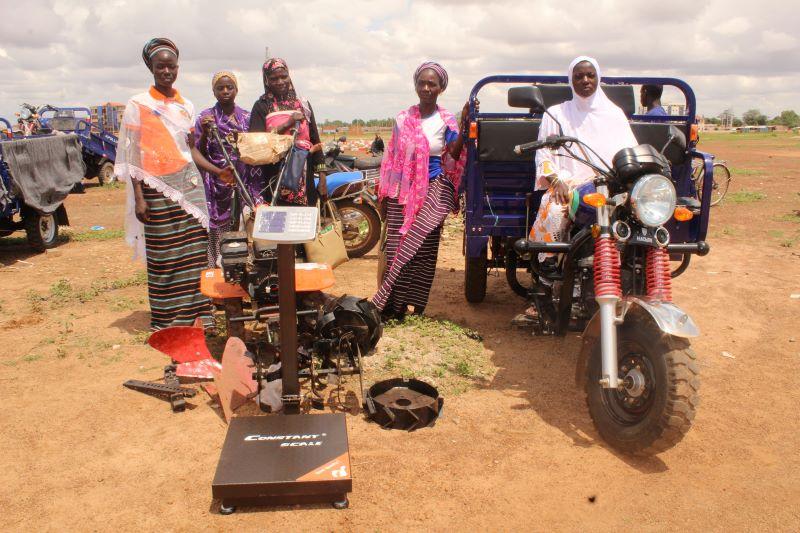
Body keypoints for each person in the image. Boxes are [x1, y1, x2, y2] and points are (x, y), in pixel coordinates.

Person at [513, 56, 638, 326]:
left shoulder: (614, 114)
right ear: (571, 80)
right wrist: (556, 180)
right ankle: (543, 287)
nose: (585, 81)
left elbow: (629, 154)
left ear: (598, 77)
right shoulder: (556, 113)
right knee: (555, 212)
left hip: (608, 187)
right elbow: (544, 152)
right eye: (579, 76)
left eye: (590, 75)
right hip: (566, 186)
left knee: (629, 225)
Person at [115, 38, 215, 331]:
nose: (167, 71)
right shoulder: (138, 104)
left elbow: (191, 149)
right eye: (161, 66)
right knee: (164, 256)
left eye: (171, 66)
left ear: (178, 68)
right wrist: (139, 197)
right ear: (151, 67)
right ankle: (167, 320)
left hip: (189, 185)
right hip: (155, 188)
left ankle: (200, 317)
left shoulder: (187, 106)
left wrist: (218, 169)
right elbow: (133, 154)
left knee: (194, 252)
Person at [372, 61, 468, 320]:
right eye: (421, 83)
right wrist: (384, 195)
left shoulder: (446, 120)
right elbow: (391, 157)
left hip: (434, 186)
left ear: (441, 88)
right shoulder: (403, 119)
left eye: (432, 84)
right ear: (415, 85)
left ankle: (414, 305)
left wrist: (467, 124)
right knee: (396, 249)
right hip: (400, 191)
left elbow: (455, 154)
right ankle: (393, 307)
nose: (426, 88)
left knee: (422, 247)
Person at [247, 58, 326, 206]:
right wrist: (287, 124)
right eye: (274, 78)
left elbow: (315, 139)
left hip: (303, 172)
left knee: (303, 221)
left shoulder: (302, 104)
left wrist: (322, 176)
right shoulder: (261, 106)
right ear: (266, 80)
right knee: (278, 222)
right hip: (274, 174)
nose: (280, 81)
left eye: (284, 76)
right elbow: (257, 144)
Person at [195, 71, 250, 267]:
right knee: (218, 226)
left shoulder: (246, 118)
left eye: (229, 87)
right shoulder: (206, 117)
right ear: (214, 91)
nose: (225, 91)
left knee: (243, 223)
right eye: (220, 88)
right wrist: (205, 134)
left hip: (243, 180)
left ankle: (240, 267)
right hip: (217, 183)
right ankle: (217, 267)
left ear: (236, 89)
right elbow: (198, 152)